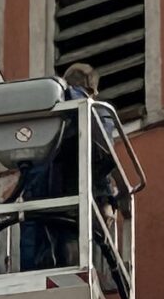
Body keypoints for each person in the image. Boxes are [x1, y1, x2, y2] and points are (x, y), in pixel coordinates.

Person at [20, 62, 118, 272]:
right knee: (72, 265)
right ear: (93, 89)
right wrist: (105, 199)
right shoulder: (92, 109)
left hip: (36, 202)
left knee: (38, 264)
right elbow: (100, 154)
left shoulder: (39, 109)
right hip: (72, 200)